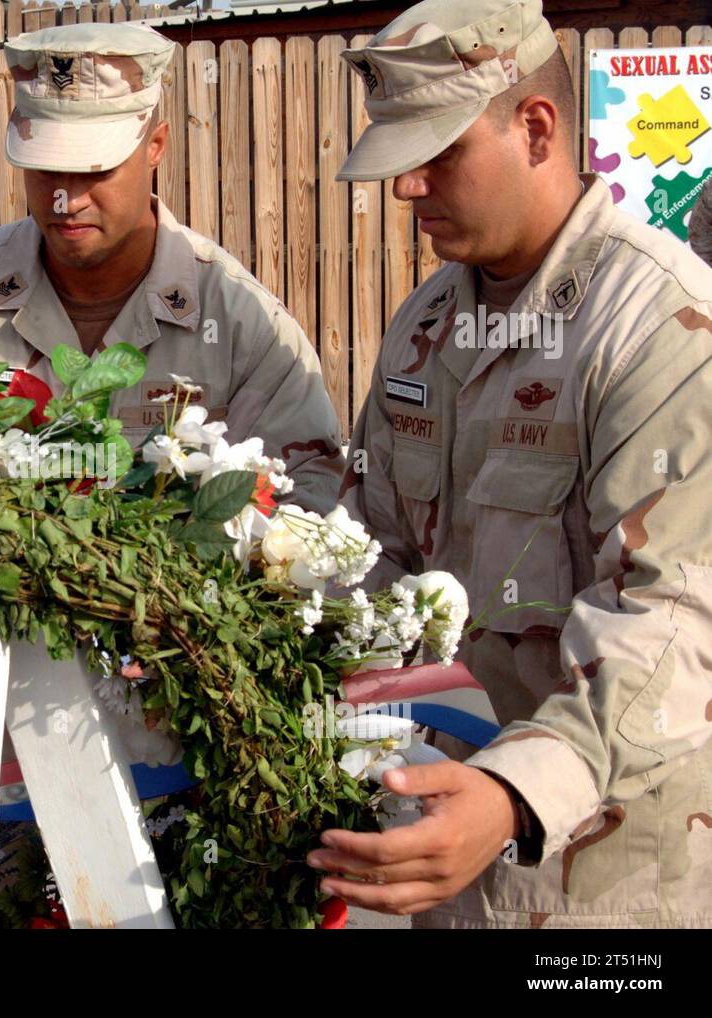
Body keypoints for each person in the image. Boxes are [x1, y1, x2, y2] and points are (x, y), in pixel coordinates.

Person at [313, 0, 712, 928]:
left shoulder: (665, 329)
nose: (407, 189)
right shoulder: (424, 328)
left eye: (439, 154)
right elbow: (372, 548)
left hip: (612, 888)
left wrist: (512, 795)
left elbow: (672, 619)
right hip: (449, 865)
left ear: (535, 128)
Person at [0, 20, 344, 513]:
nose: (66, 200)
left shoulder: (242, 325)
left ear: (155, 146)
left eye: (96, 169)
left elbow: (307, 511)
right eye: (46, 167)